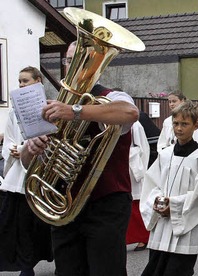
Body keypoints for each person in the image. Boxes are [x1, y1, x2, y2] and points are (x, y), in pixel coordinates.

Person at [20, 42, 139, 275]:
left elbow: (130, 113)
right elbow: (29, 166)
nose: (74, 66)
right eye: (70, 60)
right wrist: (30, 148)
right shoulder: (53, 106)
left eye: (84, 59)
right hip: (65, 206)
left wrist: (75, 111)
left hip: (105, 205)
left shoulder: (111, 97)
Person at [140, 100, 198, 276]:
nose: (179, 128)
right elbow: (152, 184)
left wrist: (173, 206)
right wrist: (157, 201)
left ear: (196, 126)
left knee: (178, 271)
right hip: (162, 225)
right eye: (176, 123)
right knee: (155, 269)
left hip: (186, 227)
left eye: (184, 124)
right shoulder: (165, 155)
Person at [0, 66, 53, 276]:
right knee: (20, 225)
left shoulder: (49, 109)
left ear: (38, 81)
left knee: (40, 225)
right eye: (19, 81)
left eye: (25, 81)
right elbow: (10, 138)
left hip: (41, 174)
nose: (21, 85)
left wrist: (23, 149)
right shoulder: (14, 112)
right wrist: (12, 149)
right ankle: (25, 266)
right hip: (19, 178)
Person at [126, 121, 151, 252]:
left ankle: (144, 237)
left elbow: (143, 148)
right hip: (119, 168)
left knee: (136, 206)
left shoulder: (135, 125)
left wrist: (141, 170)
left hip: (133, 170)